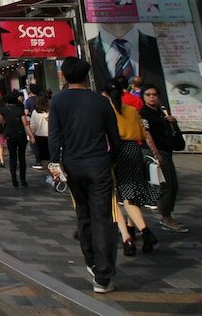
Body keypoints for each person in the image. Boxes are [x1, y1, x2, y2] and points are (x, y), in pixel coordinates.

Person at [49, 57, 121, 295]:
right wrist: (113, 159)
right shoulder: (100, 101)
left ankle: (92, 262)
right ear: (87, 75)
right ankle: (103, 275)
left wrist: (55, 163)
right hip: (99, 163)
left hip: (72, 165)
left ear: (65, 76)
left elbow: (54, 136)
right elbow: (114, 136)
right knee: (103, 217)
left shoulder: (58, 101)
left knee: (83, 212)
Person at [104, 78, 160, 256]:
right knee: (132, 192)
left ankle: (134, 234)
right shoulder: (131, 109)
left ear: (105, 94)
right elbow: (144, 133)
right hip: (135, 149)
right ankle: (134, 228)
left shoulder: (106, 111)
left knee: (117, 195)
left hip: (116, 151)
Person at [140, 84, 188, 232]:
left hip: (167, 150)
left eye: (154, 94)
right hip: (156, 152)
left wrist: (172, 121)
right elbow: (147, 134)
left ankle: (168, 215)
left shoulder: (161, 111)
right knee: (165, 185)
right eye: (148, 95)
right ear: (143, 97)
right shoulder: (144, 113)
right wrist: (156, 154)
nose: (152, 97)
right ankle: (166, 217)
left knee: (173, 184)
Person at [0, 90, 34, 187]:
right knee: (22, 157)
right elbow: (25, 123)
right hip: (20, 134)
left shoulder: (3, 110)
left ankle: (14, 178)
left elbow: (1, 121)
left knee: (12, 157)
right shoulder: (19, 110)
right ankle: (23, 180)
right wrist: (31, 135)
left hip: (10, 135)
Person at [30, 93, 51, 167]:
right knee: (50, 154)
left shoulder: (35, 112)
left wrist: (31, 135)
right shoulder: (49, 111)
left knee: (41, 154)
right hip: (50, 135)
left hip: (39, 135)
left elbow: (33, 125)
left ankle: (40, 163)